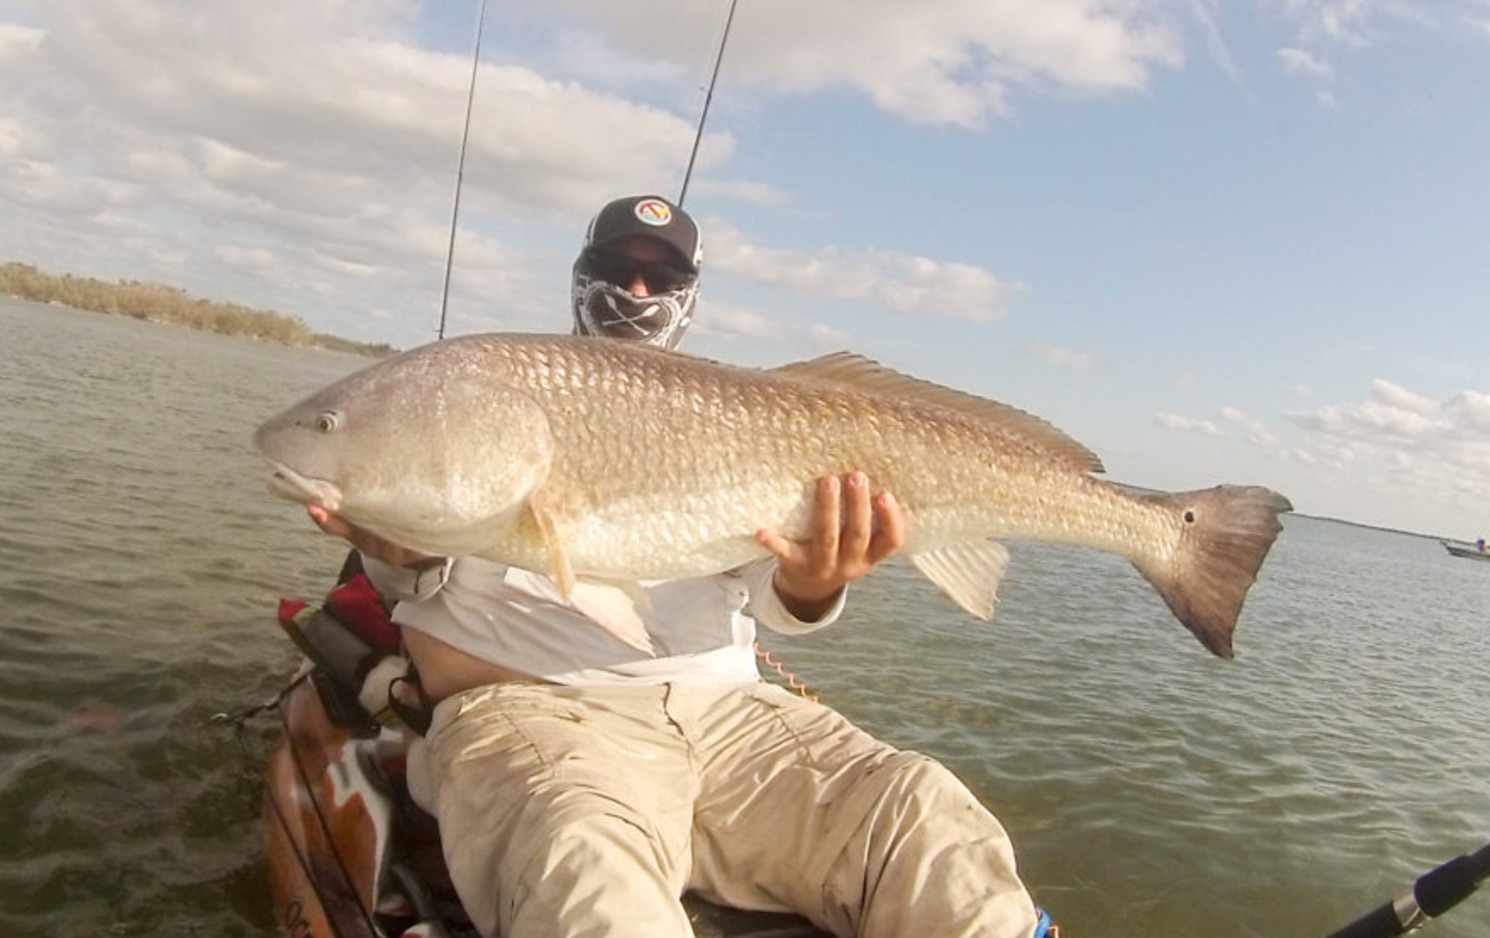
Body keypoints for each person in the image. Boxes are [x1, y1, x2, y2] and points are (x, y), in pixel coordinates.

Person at [307, 195, 1056, 938]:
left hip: (732, 716)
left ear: (687, 296)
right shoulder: (477, 394)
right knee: (585, 865)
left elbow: (777, 591)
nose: (637, 293)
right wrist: (403, 548)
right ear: (579, 275)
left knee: (921, 813)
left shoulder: (742, 407)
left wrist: (815, 579)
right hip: (538, 717)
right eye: (615, 268)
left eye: (661, 278)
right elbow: (400, 580)